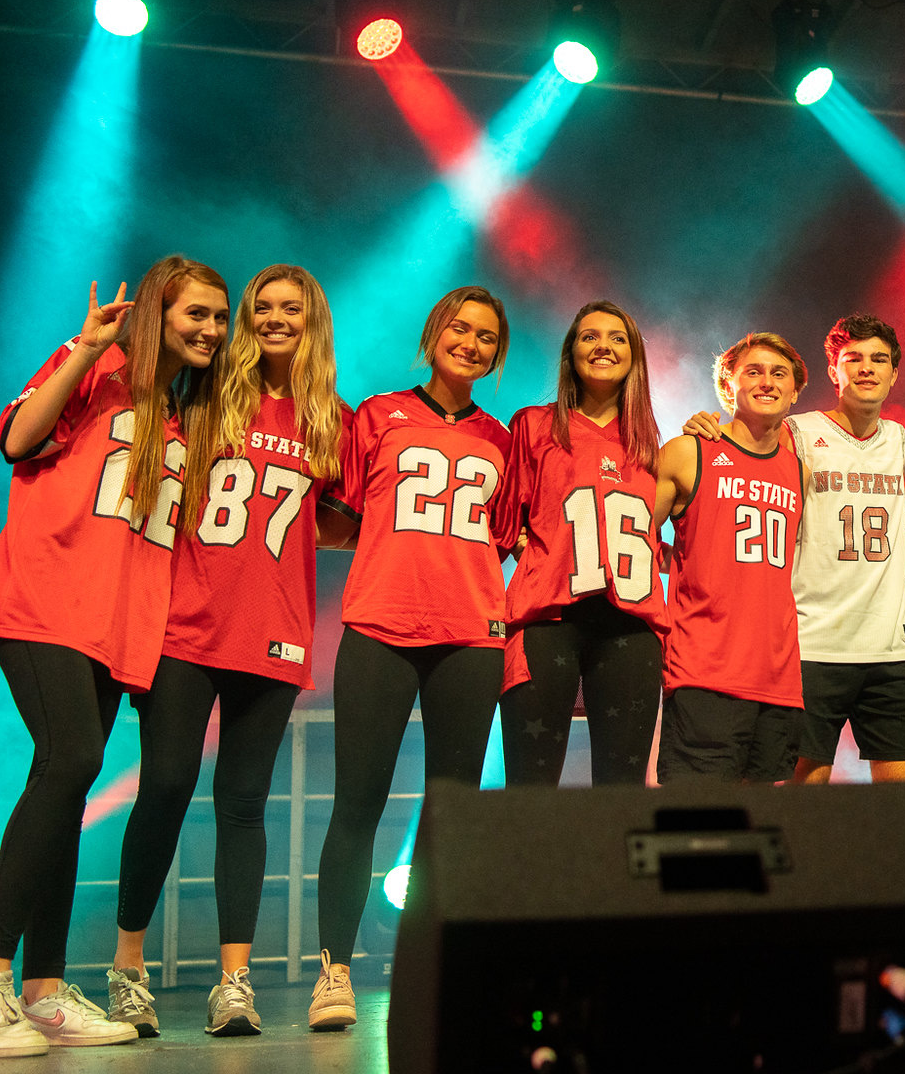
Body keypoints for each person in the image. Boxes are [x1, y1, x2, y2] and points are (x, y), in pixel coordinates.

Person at [0, 257, 227, 1057]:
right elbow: (15, 438)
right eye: (196, 313)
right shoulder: (99, 367)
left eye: (219, 318)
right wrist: (84, 345)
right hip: (45, 602)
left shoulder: (181, 417)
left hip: (115, 624)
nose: (210, 329)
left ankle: (42, 988)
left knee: (67, 788)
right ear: (156, 311)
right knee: (70, 759)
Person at [105, 265, 354, 1039]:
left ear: (312, 321)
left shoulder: (331, 419)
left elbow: (342, 519)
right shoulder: (206, 395)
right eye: (263, 308)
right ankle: (128, 968)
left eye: (291, 308)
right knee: (168, 787)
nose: (275, 319)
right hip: (186, 625)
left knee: (246, 803)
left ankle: (234, 982)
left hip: (273, 633)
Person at [312, 286, 513, 1030]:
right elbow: (336, 517)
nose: (471, 342)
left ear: (498, 353)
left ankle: (436, 965)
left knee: (452, 815)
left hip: (468, 634)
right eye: (459, 328)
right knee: (355, 804)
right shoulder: (376, 415)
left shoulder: (502, 438)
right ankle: (333, 970)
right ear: (433, 336)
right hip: (380, 625)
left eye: (486, 336)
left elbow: (517, 533)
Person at [687, 315, 905, 788]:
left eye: (879, 360)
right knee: (802, 796)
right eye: (852, 359)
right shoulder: (795, 433)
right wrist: (702, 424)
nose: (866, 369)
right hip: (812, 643)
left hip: (892, 646)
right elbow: (736, 452)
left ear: (895, 374)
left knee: (902, 803)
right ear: (833, 371)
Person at [498, 302, 666, 788]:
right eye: (589, 336)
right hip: (546, 621)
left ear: (634, 356)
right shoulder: (533, 425)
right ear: (570, 351)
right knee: (530, 791)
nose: (603, 346)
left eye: (617, 337)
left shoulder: (654, 444)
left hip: (631, 629)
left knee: (622, 794)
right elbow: (501, 527)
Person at [651, 332, 806, 784]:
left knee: (759, 830)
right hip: (704, 672)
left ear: (795, 391)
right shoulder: (689, 452)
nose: (767, 382)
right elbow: (629, 537)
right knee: (697, 824)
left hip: (778, 680)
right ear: (727, 385)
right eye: (753, 371)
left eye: (779, 374)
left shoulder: (799, 469)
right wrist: (675, 560)